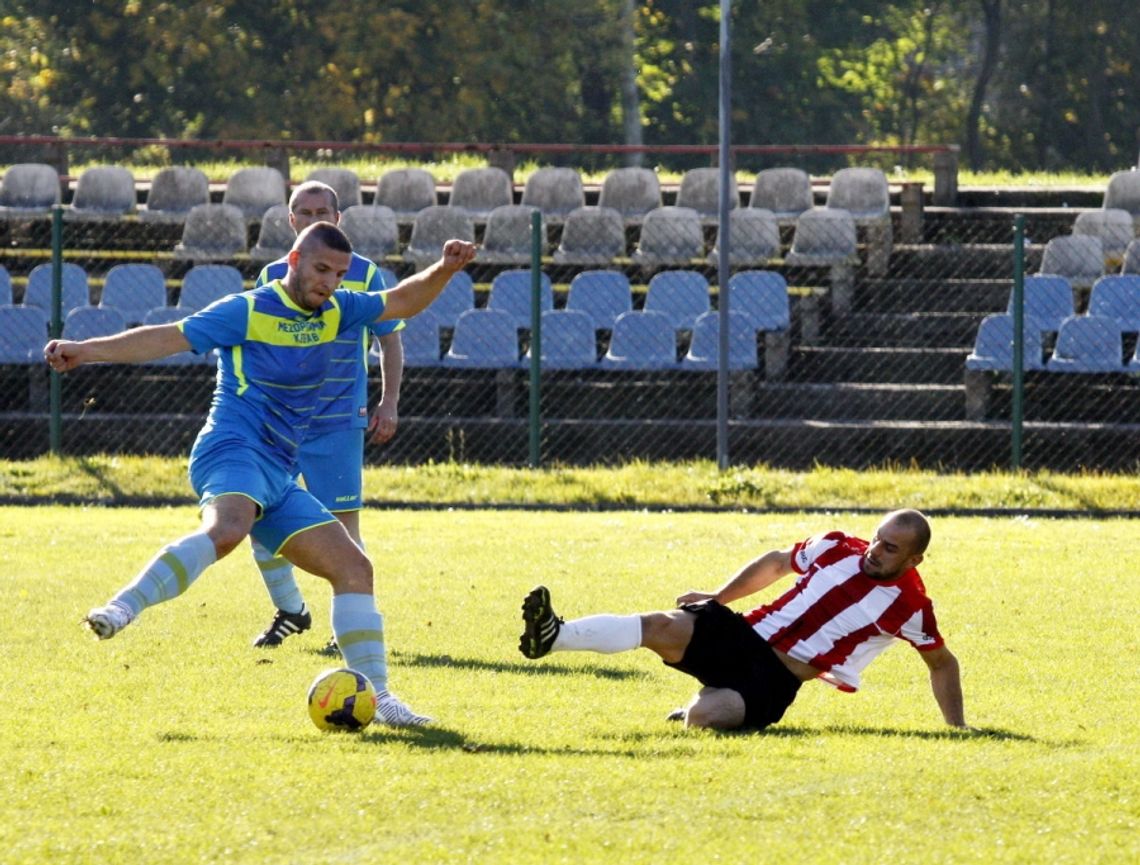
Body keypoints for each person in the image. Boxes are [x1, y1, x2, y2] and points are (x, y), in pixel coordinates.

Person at [45, 222, 477, 727]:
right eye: (320, 269)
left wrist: (445, 270)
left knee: (354, 569)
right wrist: (86, 349)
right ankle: (123, 607)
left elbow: (401, 301)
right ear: (293, 262)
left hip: (276, 470)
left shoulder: (337, 309)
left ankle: (379, 697)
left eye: (338, 273)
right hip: (231, 448)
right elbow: (167, 338)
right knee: (228, 529)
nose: (330, 282)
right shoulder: (247, 309)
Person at [518, 509, 972, 732]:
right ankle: (555, 636)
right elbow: (775, 563)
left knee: (702, 718)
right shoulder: (836, 547)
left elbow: (942, 664)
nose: (875, 550)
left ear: (916, 558)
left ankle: (705, 699)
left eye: (890, 548)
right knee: (660, 625)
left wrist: (957, 729)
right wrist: (717, 597)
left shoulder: (910, 606)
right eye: (877, 538)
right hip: (743, 637)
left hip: (776, 679)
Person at [247, 180, 404, 653]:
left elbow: (389, 340)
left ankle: (351, 633)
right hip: (281, 424)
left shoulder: (366, 274)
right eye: (303, 210)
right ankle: (292, 611)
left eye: (323, 210)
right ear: (290, 221)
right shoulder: (273, 275)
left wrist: (389, 400)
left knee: (344, 530)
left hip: (339, 420)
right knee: (255, 516)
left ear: (338, 218)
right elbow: (257, 349)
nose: (314, 217)